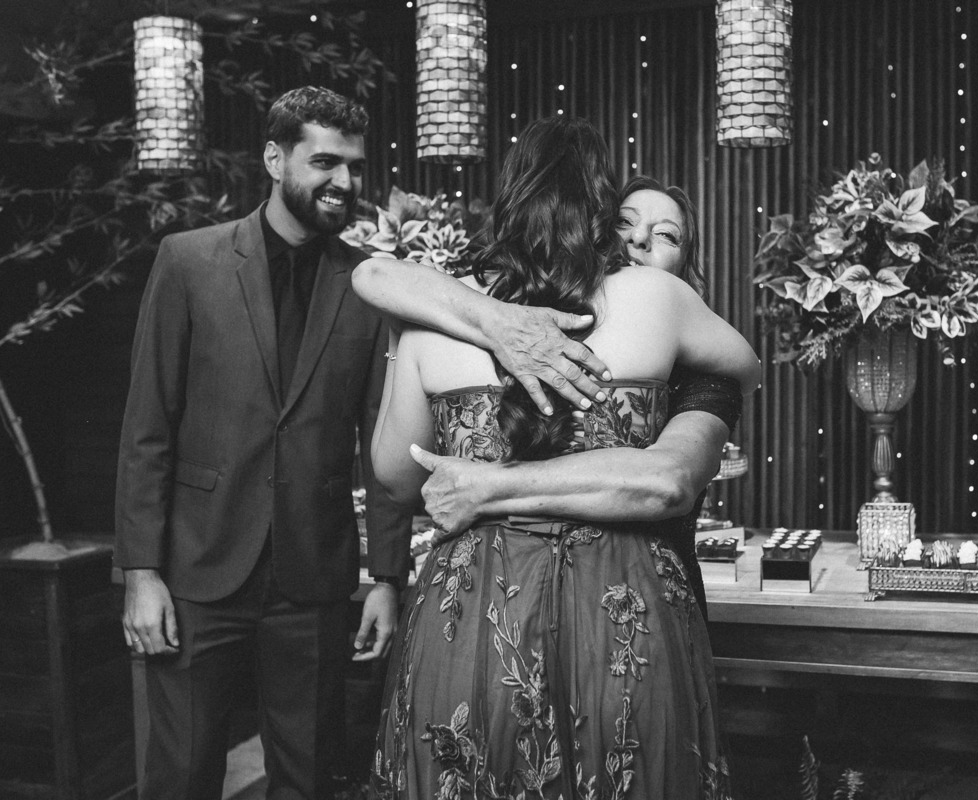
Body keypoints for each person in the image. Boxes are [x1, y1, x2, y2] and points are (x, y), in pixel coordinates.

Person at [365, 115, 756, 799]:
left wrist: (410, 340)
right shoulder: (657, 297)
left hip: (470, 612)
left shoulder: (433, 317)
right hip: (621, 607)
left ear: (508, 199)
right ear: (602, 209)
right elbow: (745, 367)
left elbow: (396, 477)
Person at [114, 86, 410, 800]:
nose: (344, 181)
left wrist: (387, 577)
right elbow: (147, 427)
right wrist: (141, 574)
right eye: (325, 162)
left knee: (307, 780)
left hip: (313, 578)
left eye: (355, 166)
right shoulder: (188, 261)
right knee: (180, 777)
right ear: (275, 159)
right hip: (195, 570)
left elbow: (382, 440)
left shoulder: (370, 283)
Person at [352, 175, 744, 618]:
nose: (638, 239)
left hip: (643, 605)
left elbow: (667, 483)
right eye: (623, 222)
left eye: (667, 235)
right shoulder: (540, 340)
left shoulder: (707, 378)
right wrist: (490, 320)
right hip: (494, 599)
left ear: (686, 270)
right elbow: (373, 275)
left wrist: (485, 487)